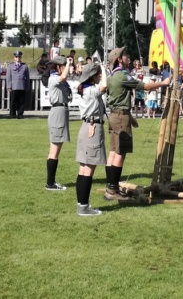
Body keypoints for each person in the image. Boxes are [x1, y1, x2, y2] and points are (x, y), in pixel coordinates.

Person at [103, 47, 169, 201]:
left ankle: (110, 186)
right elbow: (145, 87)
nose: (128, 56)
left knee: (113, 152)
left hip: (115, 115)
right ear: (119, 59)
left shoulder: (112, 76)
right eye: (126, 55)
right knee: (120, 153)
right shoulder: (122, 76)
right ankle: (113, 190)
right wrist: (163, 83)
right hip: (120, 118)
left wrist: (130, 116)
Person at [74, 63, 107, 216]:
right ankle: (84, 206)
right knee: (89, 169)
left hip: (85, 128)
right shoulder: (91, 91)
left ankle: (81, 204)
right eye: (98, 73)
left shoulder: (86, 89)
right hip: (93, 129)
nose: (100, 76)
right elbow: (104, 87)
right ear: (93, 76)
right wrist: (105, 69)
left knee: (83, 169)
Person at [45, 55, 72, 191]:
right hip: (58, 111)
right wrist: (68, 63)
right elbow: (63, 77)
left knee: (56, 149)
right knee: (54, 150)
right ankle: (50, 183)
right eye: (63, 66)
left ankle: (51, 182)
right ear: (58, 67)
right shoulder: (54, 77)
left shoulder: (57, 78)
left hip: (61, 111)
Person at [6, 51, 30, 119]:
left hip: (22, 86)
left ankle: (20, 114)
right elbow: (8, 77)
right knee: (13, 101)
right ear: (14, 58)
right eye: (16, 57)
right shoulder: (10, 66)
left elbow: (27, 77)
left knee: (21, 101)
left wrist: (27, 86)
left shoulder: (24, 66)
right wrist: (9, 86)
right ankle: (12, 114)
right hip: (13, 86)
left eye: (19, 57)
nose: (18, 58)